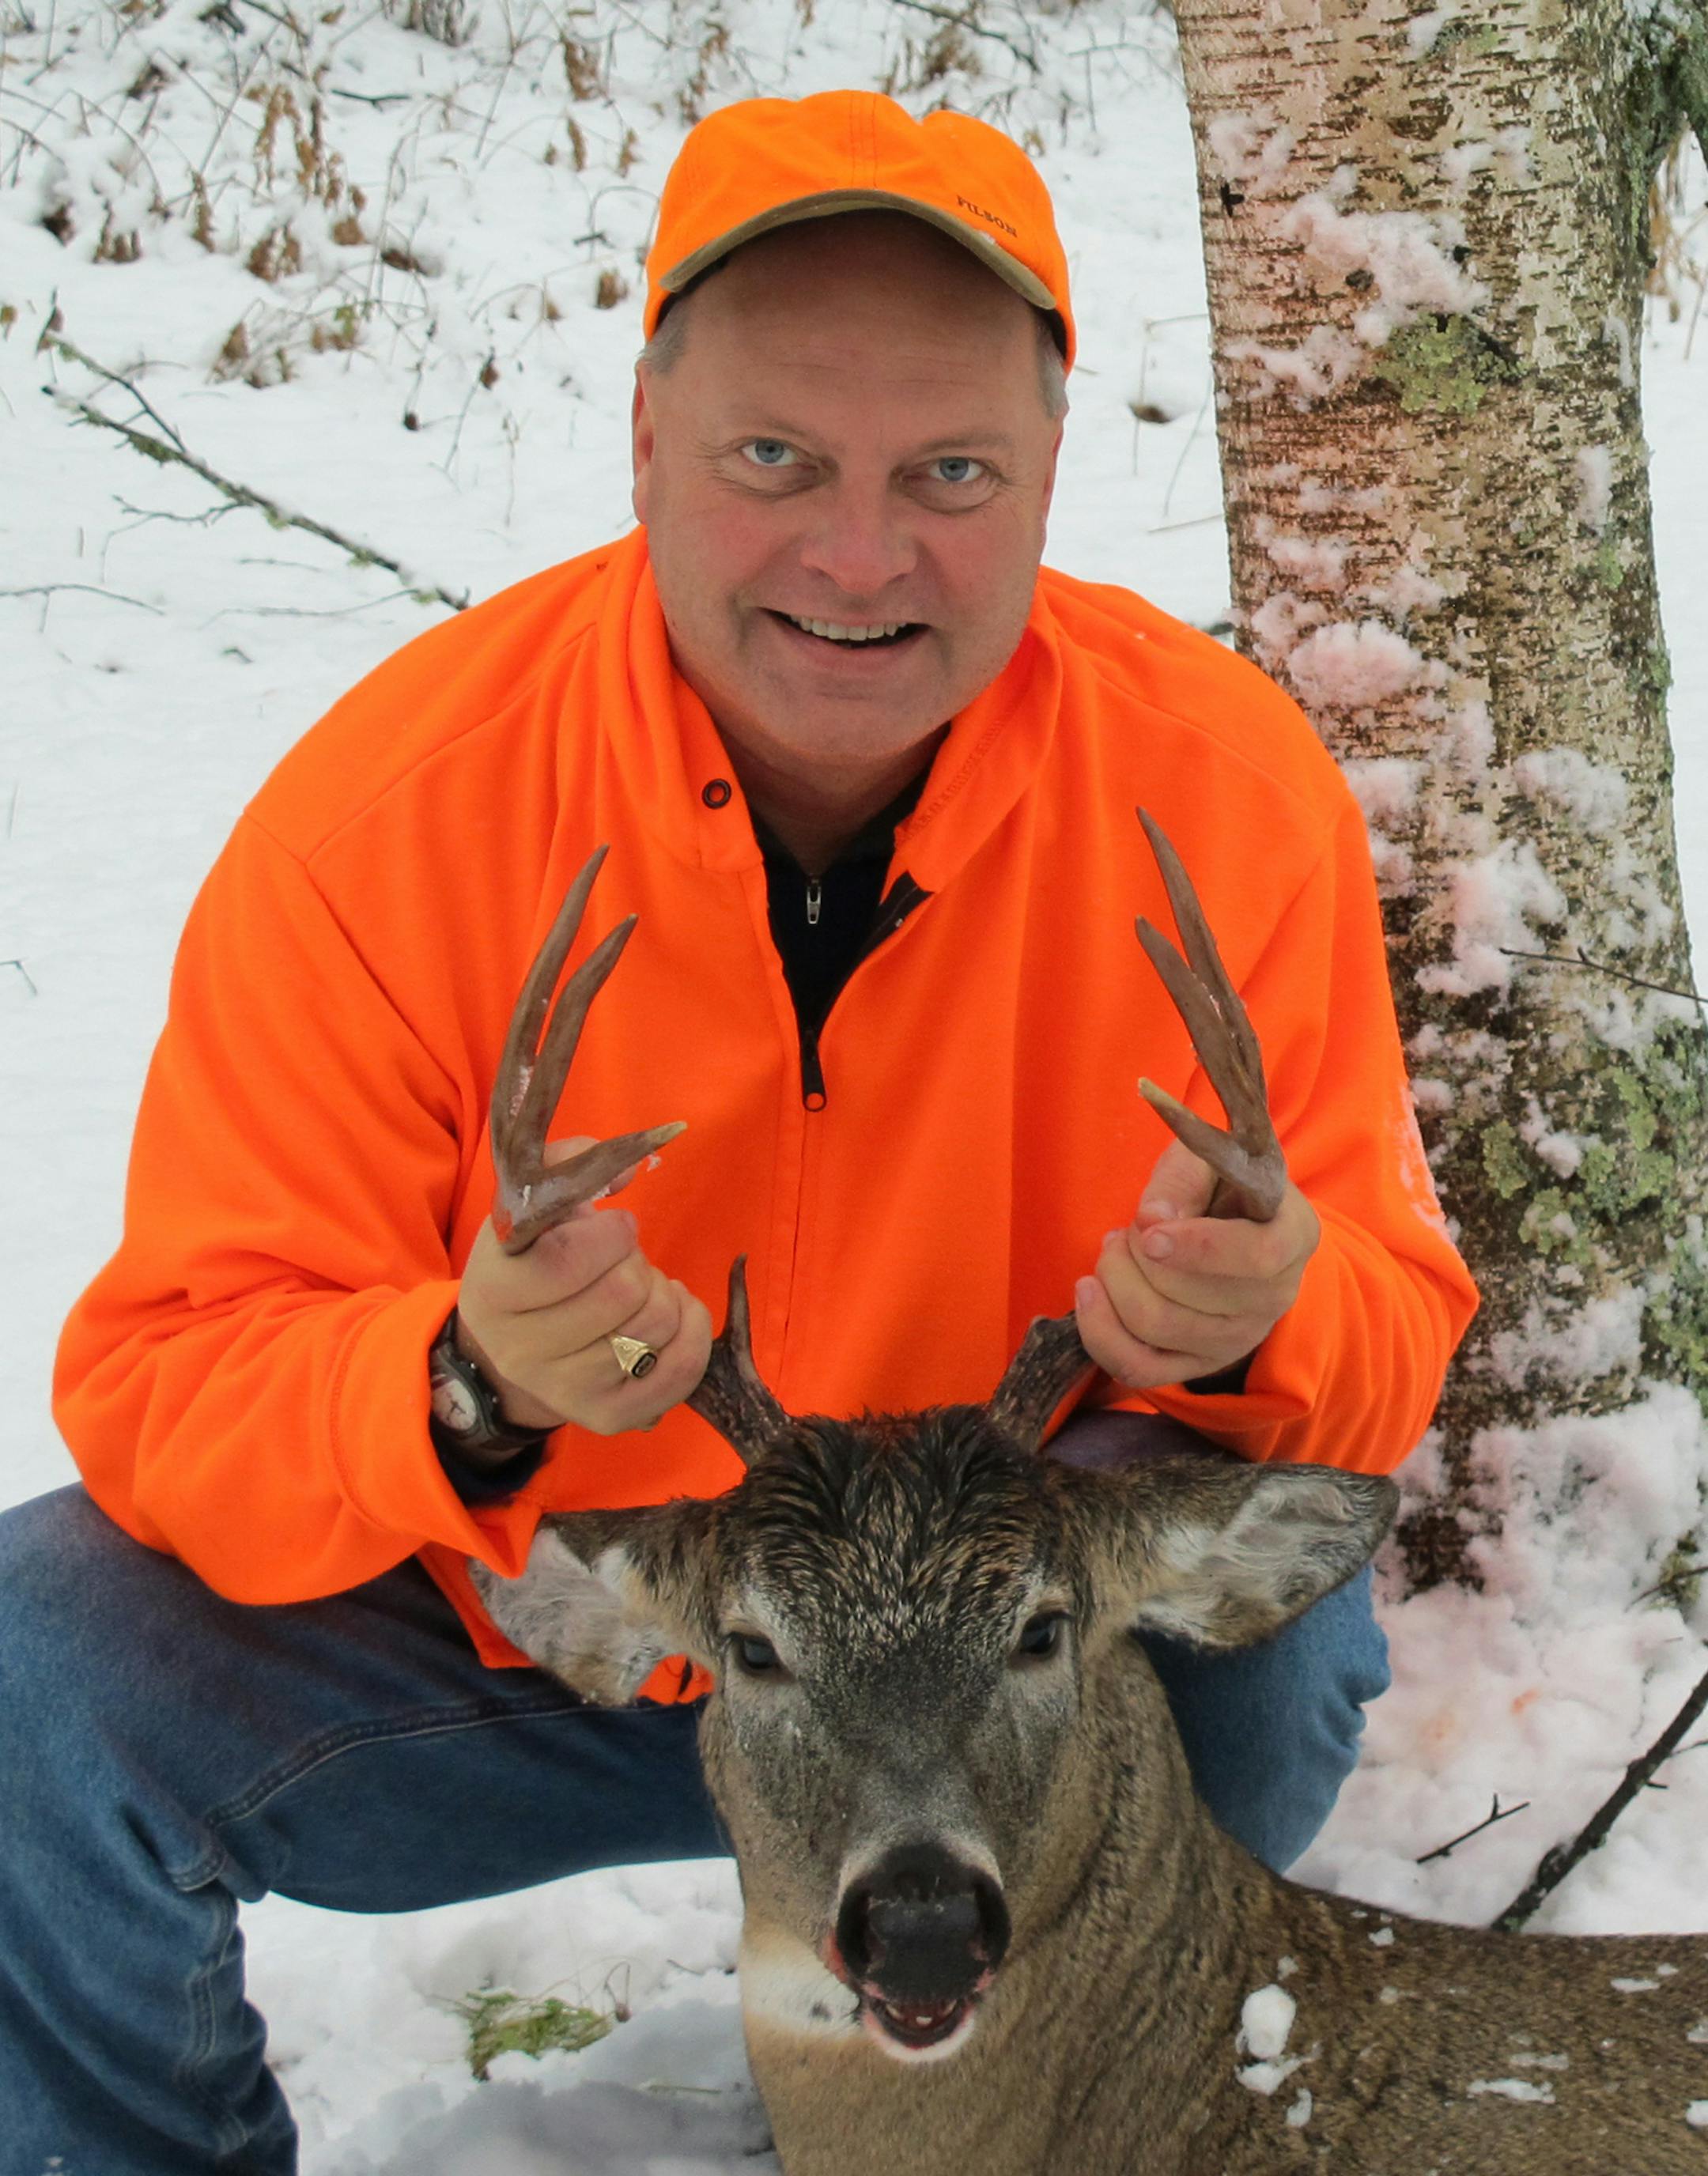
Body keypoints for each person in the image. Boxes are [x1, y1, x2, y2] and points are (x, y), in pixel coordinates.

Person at [0, 92, 1477, 2174]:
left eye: (948, 473)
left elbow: (1393, 1329)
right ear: (643, 445)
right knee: (33, 1684)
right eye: (774, 459)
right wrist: (463, 1387)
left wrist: (1267, 1320)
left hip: (998, 1667)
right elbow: (173, 1381)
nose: (858, 558)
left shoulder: (1222, 798)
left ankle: (1017, 2110)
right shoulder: (394, 821)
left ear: (1052, 471)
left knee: (1272, 1653)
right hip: (573, 1608)